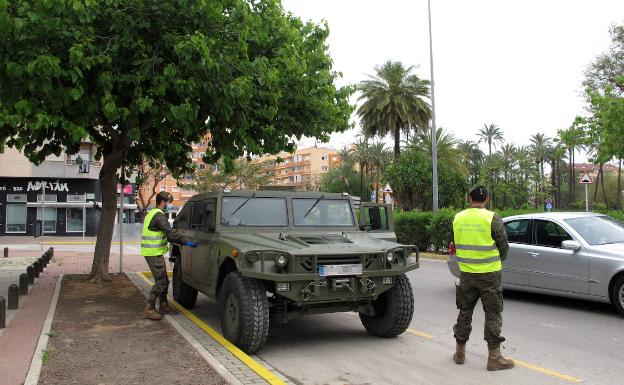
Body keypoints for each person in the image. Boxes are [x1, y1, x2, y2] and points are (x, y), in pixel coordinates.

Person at [452, 185, 514, 371]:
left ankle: (460, 353)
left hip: (467, 274)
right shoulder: (492, 218)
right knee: (493, 314)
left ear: (469, 198)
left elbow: (456, 243)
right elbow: (504, 247)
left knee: (464, 312)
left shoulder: (458, 218)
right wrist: (495, 261)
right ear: (486, 199)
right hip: (490, 275)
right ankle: (494, 358)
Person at [141, 191, 195, 320]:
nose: (168, 205)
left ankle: (164, 305)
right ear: (163, 202)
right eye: (168, 203)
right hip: (153, 253)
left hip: (154, 252)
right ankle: (149, 308)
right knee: (160, 281)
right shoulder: (159, 216)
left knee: (164, 279)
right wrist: (186, 241)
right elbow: (170, 235)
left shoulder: (152, 213)